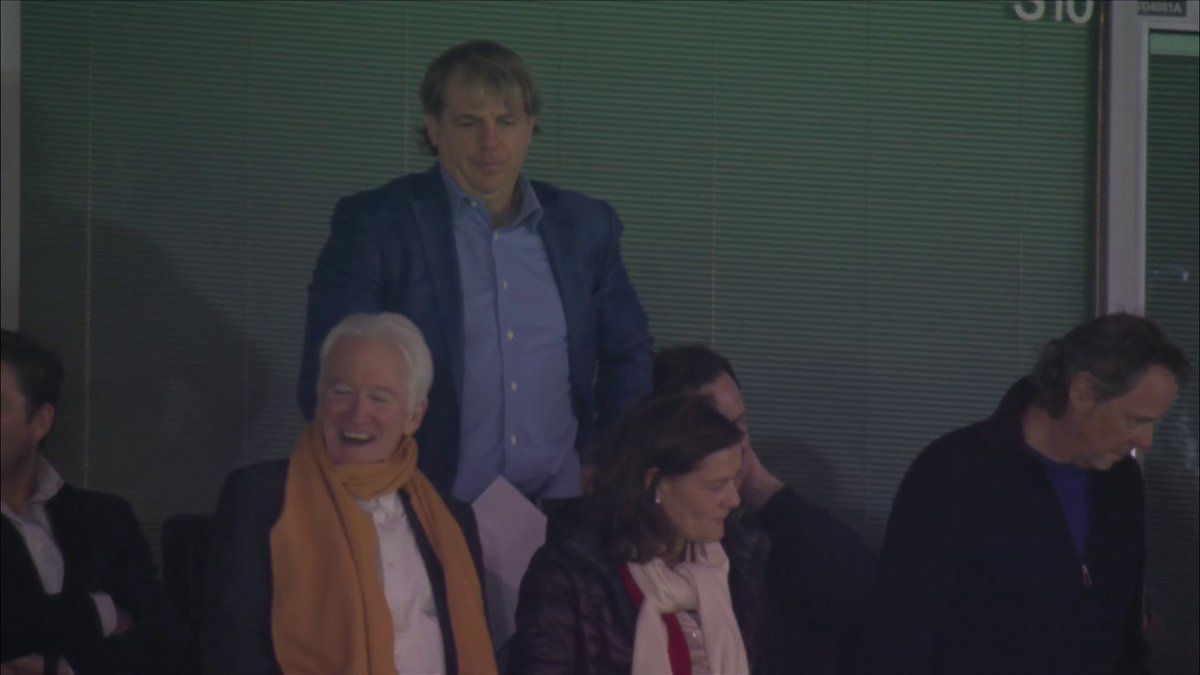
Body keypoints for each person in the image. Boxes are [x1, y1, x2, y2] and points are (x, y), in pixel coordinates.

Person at [298, 40, 653, 503]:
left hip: (563, 508)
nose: (491, 142)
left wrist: (610, 458)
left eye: (507, 121)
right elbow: (329, 376)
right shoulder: (376, 226)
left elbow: (629, 352)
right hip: (425, 505)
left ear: (531, 126)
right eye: (469, 122)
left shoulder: (586, 228)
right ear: (433, 128)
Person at [856, 313, 1192, 674]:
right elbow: (897, 635)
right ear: (1083, 393)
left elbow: (1124, 633)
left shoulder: (1120, 482)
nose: (1146, 441)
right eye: (1135, 420)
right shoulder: (956, 473)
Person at [205, 313, 496, 675]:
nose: (358, 413)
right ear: (319, 400)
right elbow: (233, 649)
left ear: (414, 417)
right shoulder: (259, 497)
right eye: (342, 392)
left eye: (380, 398)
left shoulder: (453, 520)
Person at [511, 393, 783, 675]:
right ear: (654, 483)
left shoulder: (738, 561)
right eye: (716, 486)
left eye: (734, 480)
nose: (733, 499)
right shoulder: (570, 575)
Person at [653, 345, 875, 672]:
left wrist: (766, 491)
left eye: (741, 424)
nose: (740, 443)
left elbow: (866, 592)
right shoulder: (610, 557)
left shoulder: (753, 542)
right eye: (721, 430)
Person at [1, 329, 184, 674]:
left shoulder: (105, 517)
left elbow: (165, 646)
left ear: (40, 421)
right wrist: (102, 612)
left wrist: (63, 668)